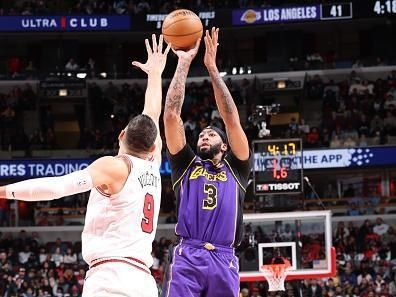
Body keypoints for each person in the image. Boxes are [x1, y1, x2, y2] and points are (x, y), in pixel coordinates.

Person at [0, 34, 170, 297]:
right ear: (153, 146)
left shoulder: (114, 167)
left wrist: (3, 191)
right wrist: (156, 74)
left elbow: (57, 187)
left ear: (121, 135)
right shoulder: (153, 163)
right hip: (143, 282)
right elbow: (152, 112)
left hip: (110, 278)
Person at [162, 27, 252, 297]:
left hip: (224, 257)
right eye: (201, 134)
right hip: (189, 253)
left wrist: (213, 70)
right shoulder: (185, 166)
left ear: (224, 146)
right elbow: (170, 116)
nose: (204, 136)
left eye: (211, 134)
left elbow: (231, 119)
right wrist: (184, 63)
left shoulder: (238, 168)